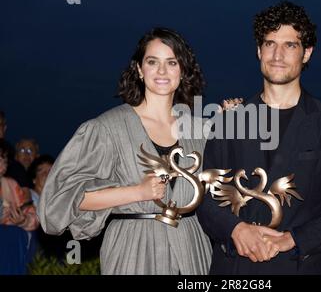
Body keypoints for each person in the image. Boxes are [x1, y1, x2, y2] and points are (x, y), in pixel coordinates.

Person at [196, 1, 321, 274]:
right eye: (270, 43)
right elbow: (205, 196)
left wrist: (294, 239)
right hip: (236, 270)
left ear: (307, 53)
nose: (277, 54)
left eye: (290, 45)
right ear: (258, 50)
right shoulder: (229, 120)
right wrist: (235, 229)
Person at [38, 28, 212, 274]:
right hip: (133, 249)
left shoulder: (200, 130)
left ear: (183, 71)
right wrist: (136, 192)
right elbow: (59, 200)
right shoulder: (106, 129)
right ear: (140, 70)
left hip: (193, 249)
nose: (162, 71)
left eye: (171, 62)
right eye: (153, 62)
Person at [0, 140, 39, 274]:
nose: (2, 163)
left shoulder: (12, 186)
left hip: (10, 248)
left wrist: (23, 220)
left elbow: (32, 215)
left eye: (4, 159)